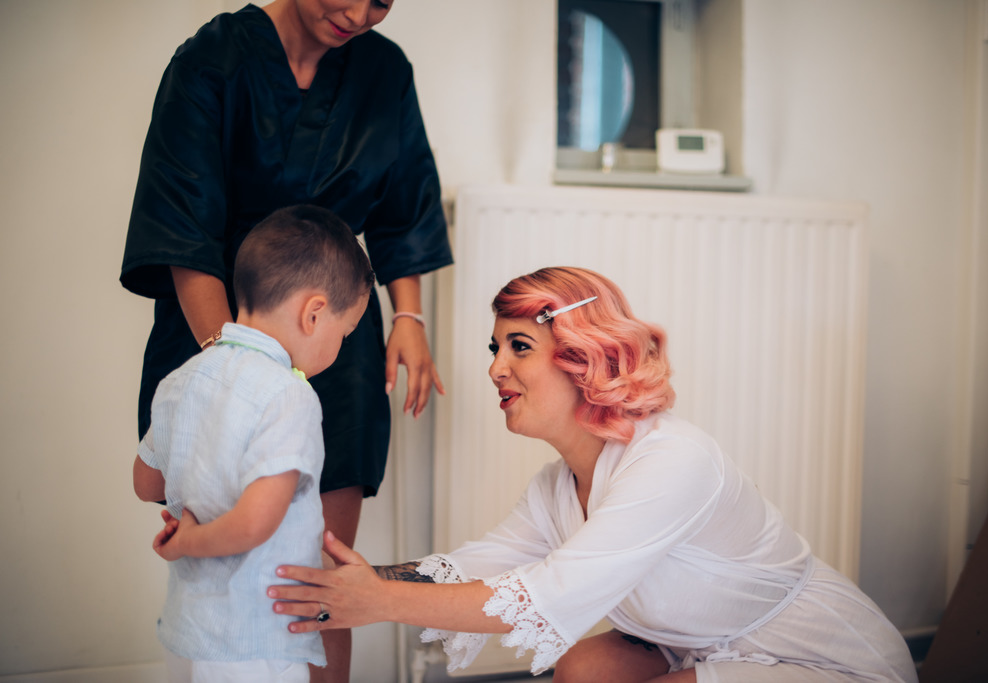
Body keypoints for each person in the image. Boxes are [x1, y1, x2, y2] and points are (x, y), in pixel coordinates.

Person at [266, 266, 919, 682]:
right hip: (700, 648)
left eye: (519, 346)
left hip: (820, 657)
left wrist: (377, 601)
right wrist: (354, 582)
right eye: (495, 347)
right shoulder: (556, 487)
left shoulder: (673, 460)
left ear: (582, 357)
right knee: (583, 669)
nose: (495, 368)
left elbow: (547, 594)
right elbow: (472, 567)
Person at [120, 2, 452, 679]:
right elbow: (183, 228)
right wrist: (230, 367)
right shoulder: (210, 62)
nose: (359, 14)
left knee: (323, 579)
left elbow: (405, 201)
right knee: (233, 561)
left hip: (333, 333)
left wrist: (409, 319)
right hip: (213, 321)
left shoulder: (384, 71)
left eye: (382, 0)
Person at [133, 205, 374, 683]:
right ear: (314, 313)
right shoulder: (289, 394)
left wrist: (191, 507)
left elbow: (146, 484)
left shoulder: (181, 380)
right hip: (257, 635)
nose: (340, 347)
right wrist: (190, 542)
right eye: (345, 333)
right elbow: (255, 522)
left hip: (188, 629)